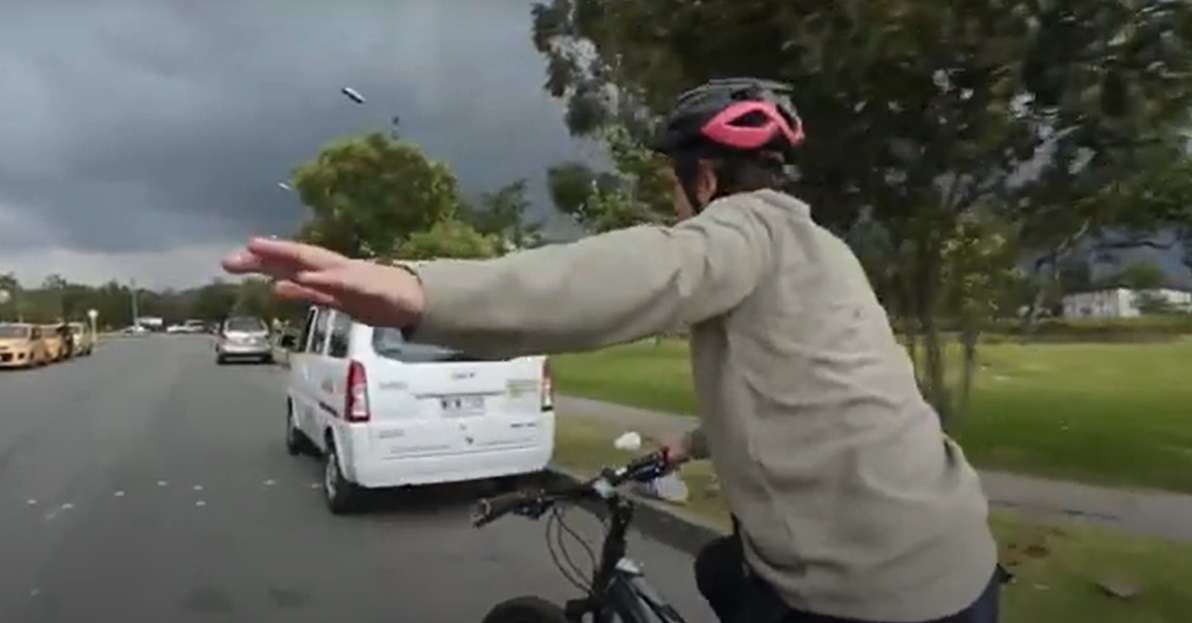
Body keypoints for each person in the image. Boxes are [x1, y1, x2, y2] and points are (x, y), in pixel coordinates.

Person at [223, 77, 1001, 623]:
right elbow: (816, 391)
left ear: (701, 177)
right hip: (960, 556)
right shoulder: (826, 248)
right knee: (720, 568)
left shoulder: (742, 229)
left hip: (864, 597)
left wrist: (414, 289)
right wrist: (692, 443)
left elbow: (620, 275)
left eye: (673, 182)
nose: (674, 199)